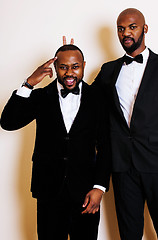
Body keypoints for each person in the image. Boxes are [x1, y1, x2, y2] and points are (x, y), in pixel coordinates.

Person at [94, 8, 158, 240]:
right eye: (121, 28)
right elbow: (87, 99)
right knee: (129, 234)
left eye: (132, 27)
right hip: (122, 166)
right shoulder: (108, 70)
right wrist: (71, 62)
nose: (126, 33)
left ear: (144, 28)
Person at [0, 44, 110, 240]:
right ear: (55, 67)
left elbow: (106, 146)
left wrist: (99, 187)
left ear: (84, 65)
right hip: (49, 191)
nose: (70, 73)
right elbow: (8, 122)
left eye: (75, 66)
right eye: (63, 67)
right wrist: (29, 83)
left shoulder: (98, 98)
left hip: (85, 192)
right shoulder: (42, 96)